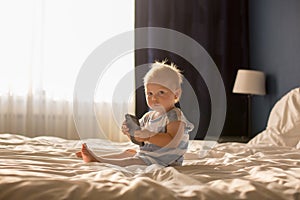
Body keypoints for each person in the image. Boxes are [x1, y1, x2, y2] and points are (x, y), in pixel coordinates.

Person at [76, 60, 194, 167]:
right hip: (149, 155)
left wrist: (148, 136)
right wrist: (130, 132)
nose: (154, 99)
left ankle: (99, 161)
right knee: (128, 153)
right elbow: (139, 139)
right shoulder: (148, 117)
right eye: (150, 94)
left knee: (133, 161)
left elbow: (173, 141)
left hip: (165, 161)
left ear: (176, 95)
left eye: (161, 92)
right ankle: (99, 157)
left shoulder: (174, 115)